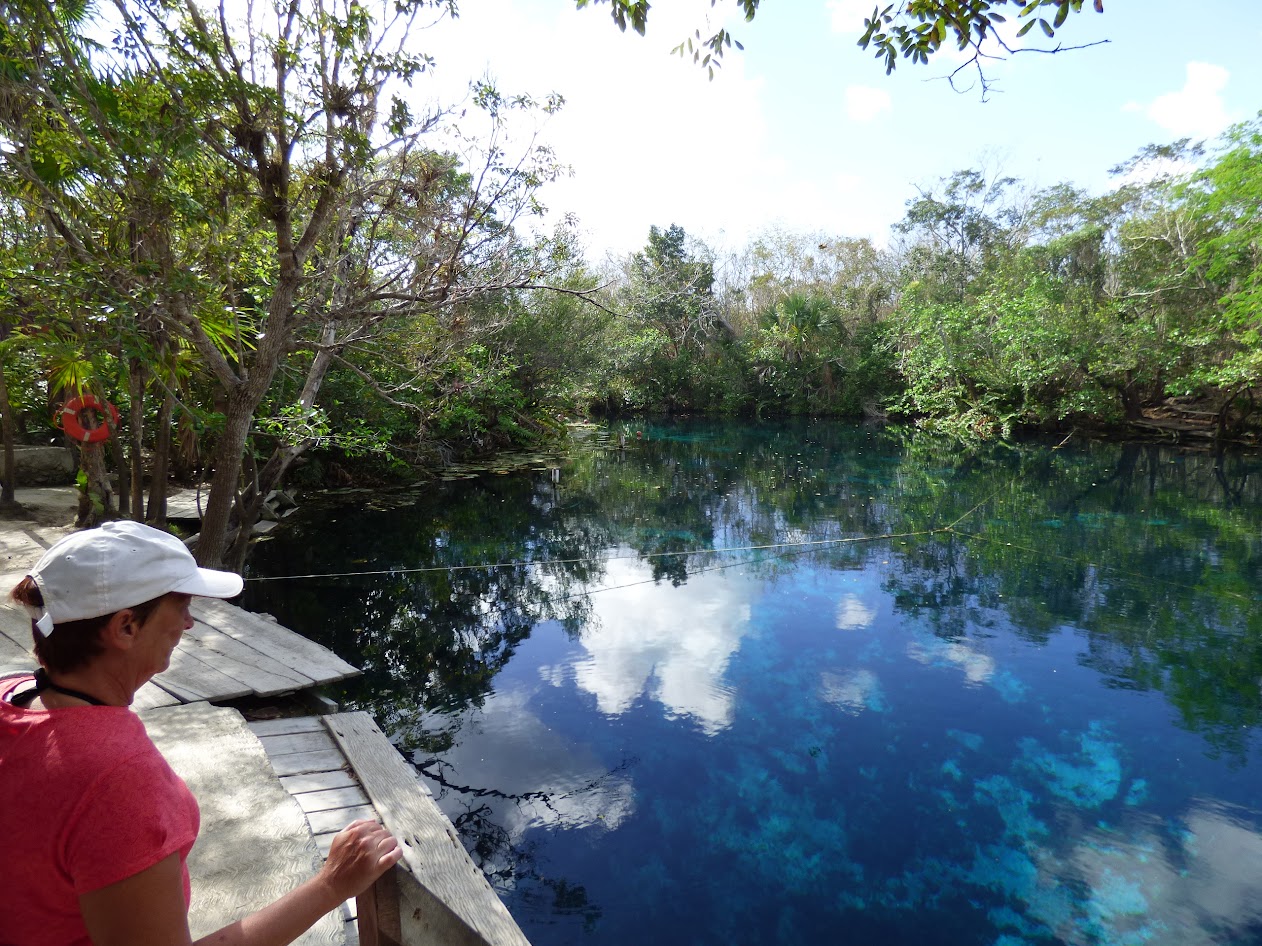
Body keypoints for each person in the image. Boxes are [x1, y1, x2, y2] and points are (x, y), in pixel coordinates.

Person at [0, 520, 402, 946]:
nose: (189, 622)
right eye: (183, 604)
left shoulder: (12, 693)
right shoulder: (116, 781)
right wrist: (332, 886)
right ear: (125, 628)